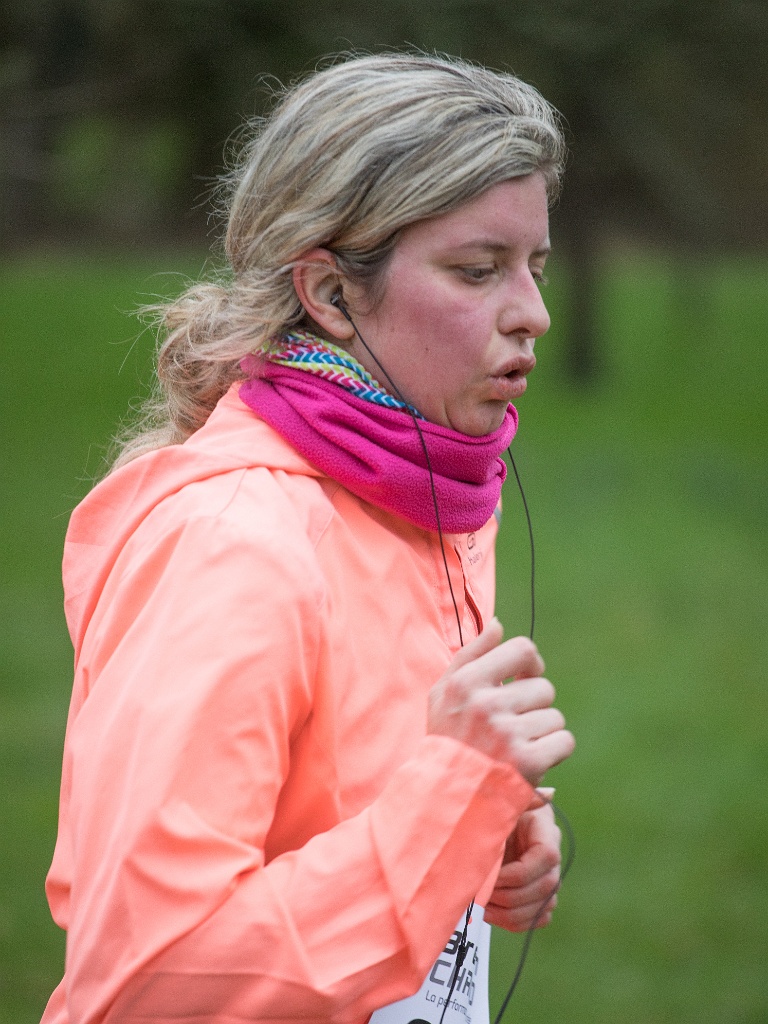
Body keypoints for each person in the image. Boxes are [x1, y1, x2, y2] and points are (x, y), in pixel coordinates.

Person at [41, 52, 575, 1024]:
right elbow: (146, 984)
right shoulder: (231, 545)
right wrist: (452, 801)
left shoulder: (434, 491)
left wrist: (490, 826)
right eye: (477, 269)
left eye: (534, 267)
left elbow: (351, 794)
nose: (533, 314)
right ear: (330, 294)